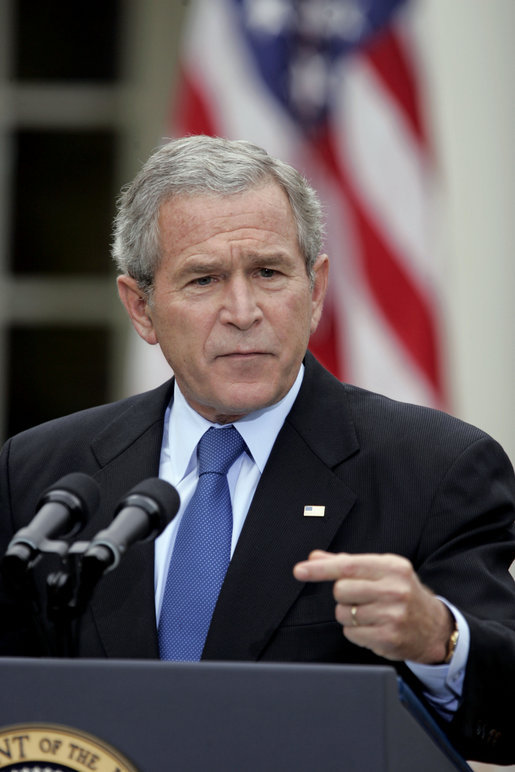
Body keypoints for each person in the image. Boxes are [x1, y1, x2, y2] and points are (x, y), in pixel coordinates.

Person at [0, 135, 514, 764]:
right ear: (141, 308)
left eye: (268, 273)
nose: (243, 311)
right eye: (203, 279)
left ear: (316, 288)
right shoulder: (41, 473)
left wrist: (439, 639)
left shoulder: (436, 471)